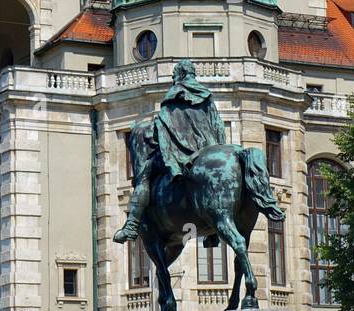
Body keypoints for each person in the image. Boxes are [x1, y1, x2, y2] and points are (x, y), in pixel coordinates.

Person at [114, 59, 283, 241]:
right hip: (208, 149)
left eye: (174, 76)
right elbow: (218, 126)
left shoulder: (173, 96)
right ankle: (213, 233)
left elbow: (164, 125)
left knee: (144, 178)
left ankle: (131, 225)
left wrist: (151, 130)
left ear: (178, 76)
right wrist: (219, 148)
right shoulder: (206, 96)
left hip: (180, 151)